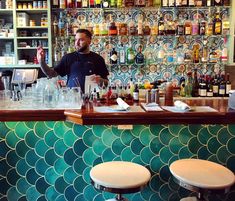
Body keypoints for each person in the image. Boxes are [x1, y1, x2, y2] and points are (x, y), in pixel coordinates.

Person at [37, 29, 109, 93]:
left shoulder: (98, 59)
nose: (77, 43)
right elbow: (51, 74)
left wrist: (100, 80)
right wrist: (41, 61)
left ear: (89, 41)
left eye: (81, 40)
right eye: (76, 40)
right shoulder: (68, 58)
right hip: (73, 100)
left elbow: (106, 83)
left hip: (93, 100)